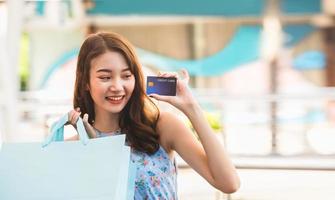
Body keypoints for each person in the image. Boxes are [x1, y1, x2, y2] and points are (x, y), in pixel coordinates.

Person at [66, 32, 240, 199]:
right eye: (105, 77)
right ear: (85, 82)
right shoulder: (75, 145)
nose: (117, 86)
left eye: (126, 75)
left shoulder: (162, 126)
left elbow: (229, 183)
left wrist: (191, 107)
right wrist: (93, 148)